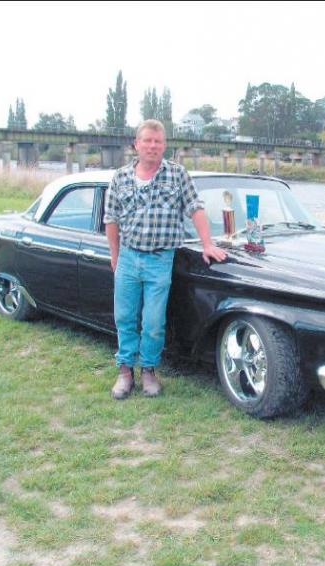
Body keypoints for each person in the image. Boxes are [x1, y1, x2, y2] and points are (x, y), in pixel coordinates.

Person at [104, 119, 226, 399]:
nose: (152, 146)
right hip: (128, 258)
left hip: (160, 260)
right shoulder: (120, 177)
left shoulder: (177, 175)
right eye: (147, 140)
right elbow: (111, 219)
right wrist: (115, 256)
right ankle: (125, 372)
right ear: (136, 144)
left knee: (154, 321)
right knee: (124, 317)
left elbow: (195, 208)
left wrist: (208, 243)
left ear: (164, 145)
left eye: (158, 141)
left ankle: (148, 371)